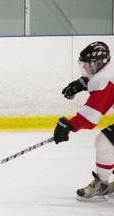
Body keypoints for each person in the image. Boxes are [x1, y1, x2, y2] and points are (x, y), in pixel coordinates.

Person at [53, 41, 114, 202]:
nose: (85, 68)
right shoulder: (109, 69)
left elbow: (91, 117)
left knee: (105, 142)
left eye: (88, 64)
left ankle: (101, 186)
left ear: (100, 63)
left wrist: (69, 125)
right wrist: (85, 83)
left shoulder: (104, 78)